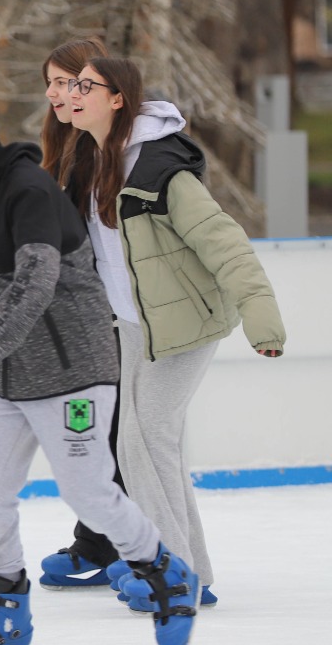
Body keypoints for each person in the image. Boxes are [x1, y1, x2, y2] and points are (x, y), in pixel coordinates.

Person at [0, 86, 200, 645]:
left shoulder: (28, 190)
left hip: (72, 372)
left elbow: (38, 278)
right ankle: (7, 617)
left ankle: (167, 573)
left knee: (88, 490)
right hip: (13, 378)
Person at [65, 56, 284, 611]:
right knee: (139, 439)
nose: (71, 93)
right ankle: (193, 571)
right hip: (137, 324)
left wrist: (261, 319)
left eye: (84, 85)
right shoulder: (92, 160)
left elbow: (224, 242)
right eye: (67, 85)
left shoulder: (162, 167)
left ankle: (173, 572)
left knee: (146, 437)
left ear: (118, 98)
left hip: (184, 324)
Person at [35, 39, 127, 589]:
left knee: (109, 432)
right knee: (90, 430)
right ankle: (96, 539)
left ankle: (116, 543)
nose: (55, 93)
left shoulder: (105, 148)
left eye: (66, 82)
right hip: (80, 312)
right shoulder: (67, 143)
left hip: (111, 314)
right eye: (49, 82)